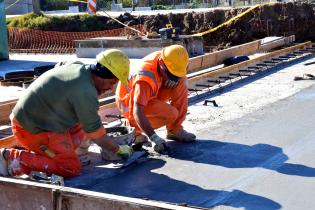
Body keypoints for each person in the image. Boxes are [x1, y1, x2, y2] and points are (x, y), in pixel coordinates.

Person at [0, 49, 133, 178]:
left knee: (85, 121)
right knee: (70, 167)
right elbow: (96, 134)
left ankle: (50, 156)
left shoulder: (78, 67)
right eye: (111, 82)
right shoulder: (85, 92)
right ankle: (10, 156)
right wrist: (118, 149)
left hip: (39, 120)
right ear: (101, 73)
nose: (111, 88)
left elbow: (60, 65)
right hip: (31, 129)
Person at [116, 44, 196, 153]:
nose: (173, 78)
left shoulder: (170, 59)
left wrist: (174, 78)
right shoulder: (145, 77)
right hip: (129, 102)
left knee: (181, 83)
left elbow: (177, 74)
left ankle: (174, 130)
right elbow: (137, 110)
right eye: (171, 75)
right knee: (171, 113)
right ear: (162, 65)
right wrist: (154, 137)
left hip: (152, 92)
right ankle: (134, 130)